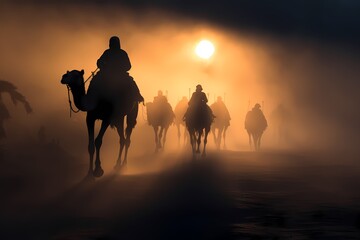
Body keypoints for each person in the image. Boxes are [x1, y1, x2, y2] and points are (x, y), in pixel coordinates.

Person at [96, 36, 144, 102]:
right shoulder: (107, 52)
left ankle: (137, 96)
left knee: (130, 82)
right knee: (95, 81)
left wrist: (119, 68)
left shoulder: (122, 53)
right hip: (106, 75)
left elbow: (128, 66)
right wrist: (100, 63)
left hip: (120, 75)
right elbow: (100, 62)